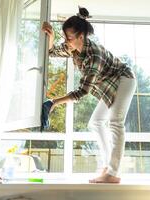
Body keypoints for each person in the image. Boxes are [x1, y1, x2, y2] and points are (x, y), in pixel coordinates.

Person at [41, 7, 136, 183]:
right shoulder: (73, 48)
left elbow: (83, 91)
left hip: (124, 80)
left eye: (69, 38)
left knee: (116, 122)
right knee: (95, 122)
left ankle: (113, 173)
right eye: (65, 37)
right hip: (109, 84)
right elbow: (52, 52)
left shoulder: (94, 55)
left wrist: (54, 102)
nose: (66, 41)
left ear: (81, 37)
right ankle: (108, 166)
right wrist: (52, 37)